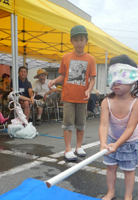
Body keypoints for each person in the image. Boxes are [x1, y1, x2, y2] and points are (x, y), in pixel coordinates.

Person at [99, 54, 138, 200]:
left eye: (120, 81)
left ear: (132, 81)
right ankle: (110, 192)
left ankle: (128, 197)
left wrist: (117, 145)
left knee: (128, 170)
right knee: (111, 167)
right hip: (112, 139)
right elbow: (104, 125)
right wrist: (103, 144)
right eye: (113, 81)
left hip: (129, 141)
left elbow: (130, 128)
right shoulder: (106, 101)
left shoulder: (136, 104)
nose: (115, 85)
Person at [48, 25, 96, 161]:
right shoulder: (66, 57)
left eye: (82, 39)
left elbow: (92, 79)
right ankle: (68, 149)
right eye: (76, 40)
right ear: (71, 41)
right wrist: (54, 81)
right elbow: (63, 76)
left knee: (81, 124)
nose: (79, 42)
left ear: (87, 41)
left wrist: (88, 89)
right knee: (67, 123)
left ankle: (78, 146)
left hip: (83, 97)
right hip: (68, 96)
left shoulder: (91, 59)